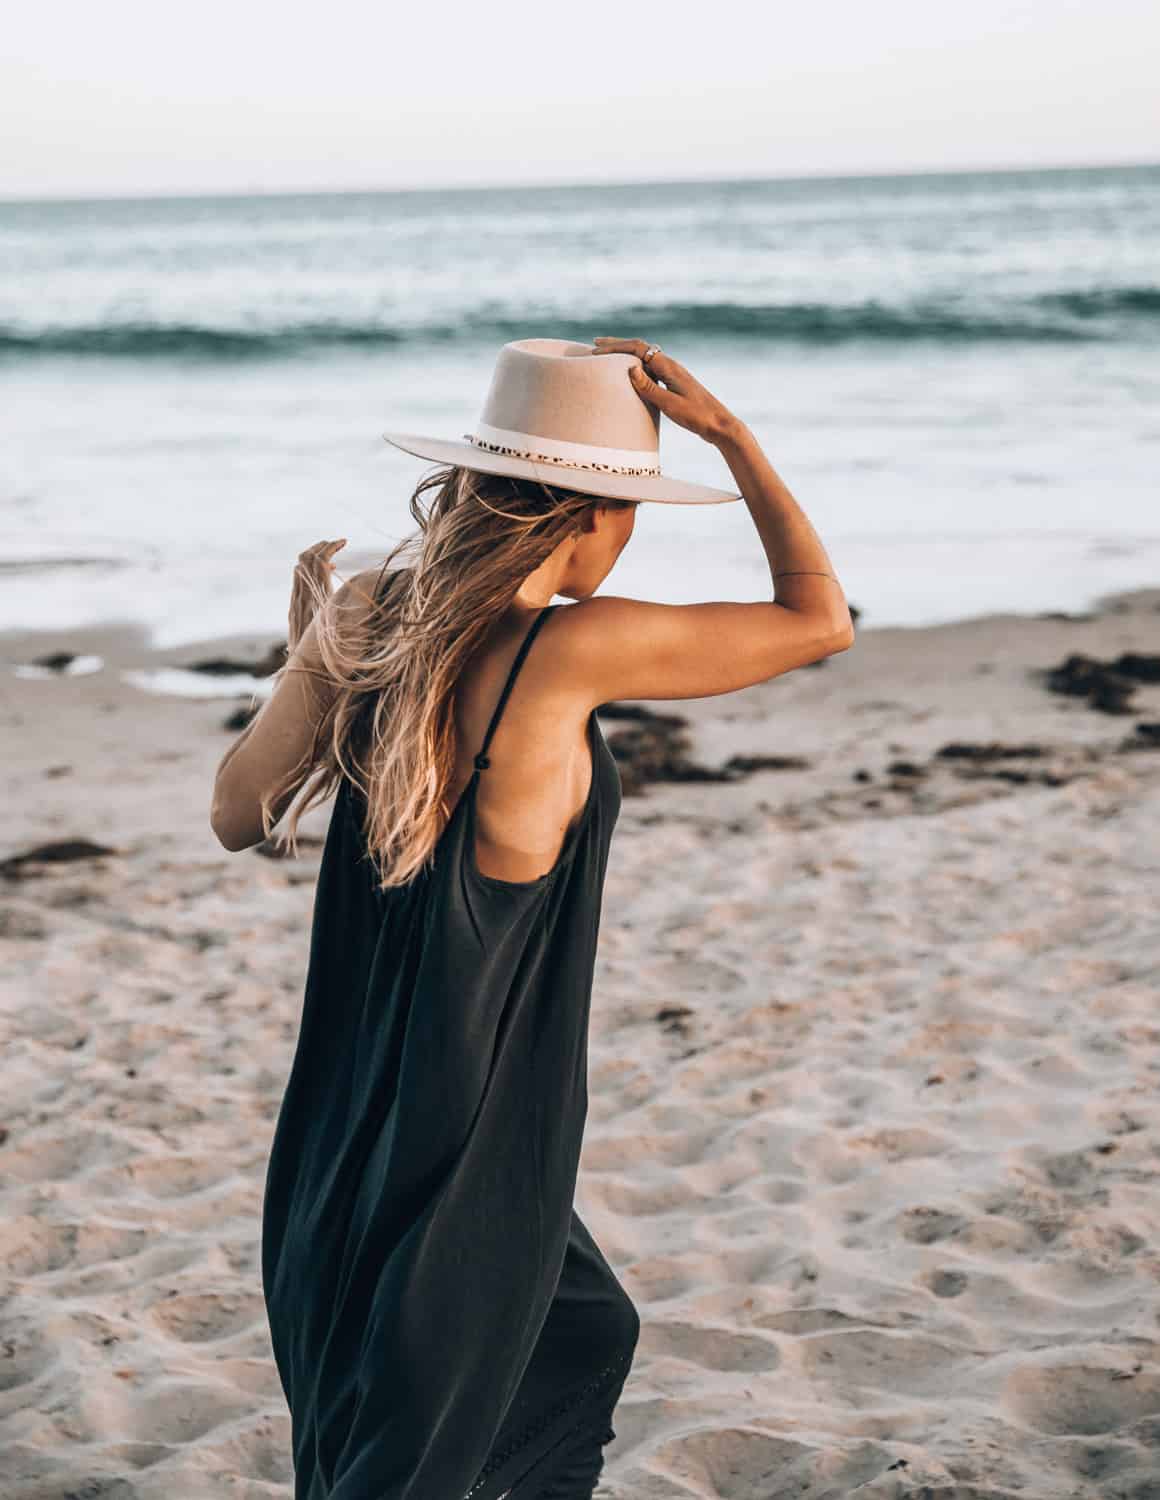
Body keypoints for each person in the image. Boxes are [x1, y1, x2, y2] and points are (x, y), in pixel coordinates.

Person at [210, 335, 854, 1499]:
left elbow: (236, 812)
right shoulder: (566, 652)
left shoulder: (371, 616)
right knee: (416, 1449)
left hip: (350, 1108)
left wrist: (309, 655)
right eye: (637, 503)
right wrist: (734, 441)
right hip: (476, 1125)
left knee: (578, 1336)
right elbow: (820, 620)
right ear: (598, 512)